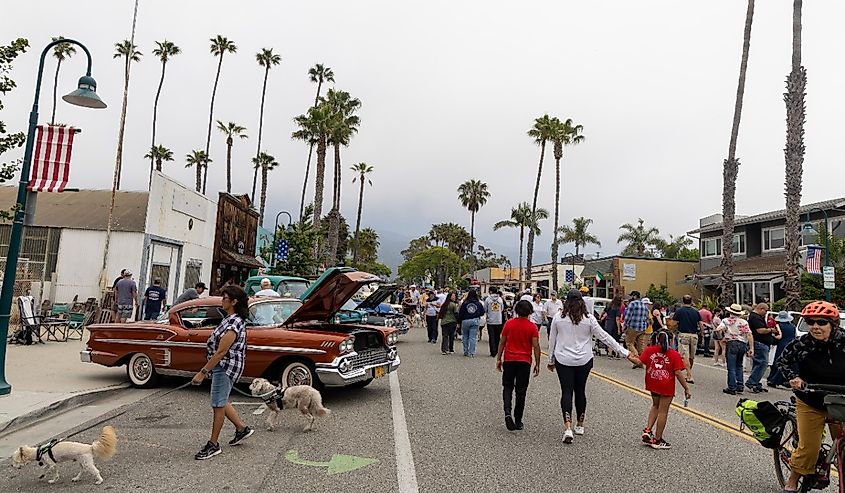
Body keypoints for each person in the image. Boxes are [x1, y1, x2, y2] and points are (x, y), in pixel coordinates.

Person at [547, 289, 634, 444]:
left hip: (563, 359)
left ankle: (567, 427)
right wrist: (624, 352)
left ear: (566, 302)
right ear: (582, 302)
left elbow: (552, 340)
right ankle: (580, 424)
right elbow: (605, 336)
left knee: (566, 391)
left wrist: (550, 360)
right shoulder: (589, 319)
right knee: (580, 391)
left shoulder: (558, 318)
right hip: (584, 360)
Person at [776, 301, 845, 493]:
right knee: (809, 449)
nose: (815, 327)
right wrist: (793, 378)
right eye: (810, 322)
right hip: (810, 400)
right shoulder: (801, 344)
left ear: (833, 324)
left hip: (840, 400)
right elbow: (783, 362)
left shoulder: (844, 341)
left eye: (821, 322)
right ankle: (792, 480)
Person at [191, 285, 254, 460]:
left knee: (218, 404)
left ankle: (213, 444)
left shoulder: (234, 322)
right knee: (222, 400)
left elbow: (221, 351)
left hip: (225, 366)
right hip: (225, 365)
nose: (221, 300)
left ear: (233, 301)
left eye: (224, 298)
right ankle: (241, 429)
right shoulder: (231, 318)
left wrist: (202, 372)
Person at [630, 330, 691, 450]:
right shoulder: (673, 354)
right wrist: (686, 388)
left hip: (653, 382)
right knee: (663, 411)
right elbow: (678, 373)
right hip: (666, 385)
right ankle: (657, 439)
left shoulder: (650, 350)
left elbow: (639, 361)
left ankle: (648, 430)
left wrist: (628, 355)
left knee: (655, 406)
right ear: (671, 340)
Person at [496, 300, 541, 431]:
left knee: (507, 387)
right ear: (530, 312)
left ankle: (507, 412)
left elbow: (502, 342)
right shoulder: (532, 327)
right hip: (524, 361)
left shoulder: (509, 324)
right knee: (521, 391)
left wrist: (499, 358)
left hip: (509, 359)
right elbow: (536, 346)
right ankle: (518, 419)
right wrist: (537, 363)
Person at [719, 304, 754, 395]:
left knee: (731, 367)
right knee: (739, 365)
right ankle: (740, 385)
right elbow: (749, 334)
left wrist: (721, 334)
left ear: (730, 312)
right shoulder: (744, 322)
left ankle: (732, 387)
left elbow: (720, 328)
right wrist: (751, 348)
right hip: (742, 343)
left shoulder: (726, 321)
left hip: (732, 343)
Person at [745, 303, 776, 393]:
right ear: (761, 309)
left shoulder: (757, 317)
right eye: (765, 310)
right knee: (762, 363)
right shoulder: (755, 317)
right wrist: (770, 330)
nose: (766, 313)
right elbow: (760, 330)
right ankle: (752, 382)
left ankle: (756, 383)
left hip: (763, 343)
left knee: (758, 364)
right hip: (760, 343)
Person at [672, 295, 702, 384]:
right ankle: (689, 373)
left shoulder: (679, 311)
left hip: (683, 334)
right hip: (694, 334)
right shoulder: (696, 311)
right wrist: (701, 333)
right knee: (691, 356)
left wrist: (673, 330)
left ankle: (689, 375)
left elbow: (674, 323)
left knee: (685, 356)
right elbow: (700, 323)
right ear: (691, 301)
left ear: (683, 301)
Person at [623, 291, 649, 367]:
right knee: (641, 346)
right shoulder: (644, 306)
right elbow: (646, 318)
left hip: (633, 327)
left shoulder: (632, 304)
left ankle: (637, 360)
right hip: (642, 328)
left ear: (634, 296)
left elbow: (628, 316)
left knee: (629, 343)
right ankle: (642, 360)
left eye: (631, 296)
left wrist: (625, 325)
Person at [457, 289, 485, 357]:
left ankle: (465, 351)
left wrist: (459, 321)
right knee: (473, 337)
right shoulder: (478, 303)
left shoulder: (465, 303)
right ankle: (471, 352)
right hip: (475, 320)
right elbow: (482, 312)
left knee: (465, 336)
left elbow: (461, 313)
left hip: (465, 320)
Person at [485, 288, 506, 357]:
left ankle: (492, 352)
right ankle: (497, 350)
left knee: (491, 337)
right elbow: (502, 309)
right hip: (498, 320)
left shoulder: (488, 299)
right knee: (497, 337)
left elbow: (485, 309)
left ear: (490, 291)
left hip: (490, 321)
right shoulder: (500, 299)